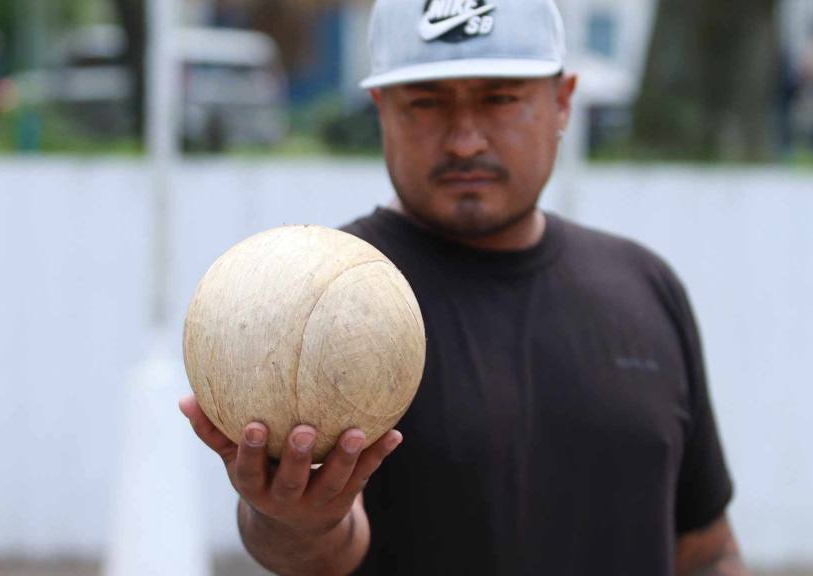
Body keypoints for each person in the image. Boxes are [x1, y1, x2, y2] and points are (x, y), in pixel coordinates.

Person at [179, 0, 746, 574]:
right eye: (426, 102)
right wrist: (290, 520)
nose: (466, 141)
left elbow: (706, 548)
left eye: (500, 98)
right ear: (382, 109)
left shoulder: (644, 286)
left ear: (562, 101)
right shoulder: (314, 305)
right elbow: (317, 547)